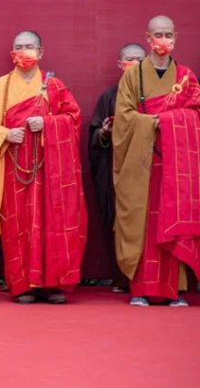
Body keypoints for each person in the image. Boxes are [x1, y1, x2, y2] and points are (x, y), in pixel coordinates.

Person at [0, 30, 87, 304]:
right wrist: (4, 134)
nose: (23, 51)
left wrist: (47, 124)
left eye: (29, 46)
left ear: (41, 52)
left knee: (51, 222)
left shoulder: (54, 86)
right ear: (11, 52)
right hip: (14, 168)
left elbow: (73, 119)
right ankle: (22, 284)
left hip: (49, 171)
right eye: (18, 47)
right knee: (18, 225)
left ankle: (52, 284)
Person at [113, 15, 200, 307]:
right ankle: (140, 288)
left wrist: (169, 120)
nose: (163, 40)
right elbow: (124, 117)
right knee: (143, 221)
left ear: (175, 38)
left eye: (168, 35)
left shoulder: (186, 77)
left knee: (173, 218)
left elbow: (195, 114)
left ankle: (175, 289)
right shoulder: (132, 76)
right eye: (158, 35)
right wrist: (153, 123)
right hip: (142, 161)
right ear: (148, 38)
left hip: (177, 165)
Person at [88, 42, 146, 291]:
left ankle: (149, 278)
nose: (134, 64)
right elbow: (94, 136)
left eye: (140, 60)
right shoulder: (109, 97)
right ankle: (123, 278)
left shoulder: (155, 95)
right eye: (129, 59)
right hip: (116, 170)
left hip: (147, 168)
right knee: (118, 220)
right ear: (120, 64)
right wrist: (104, 133)